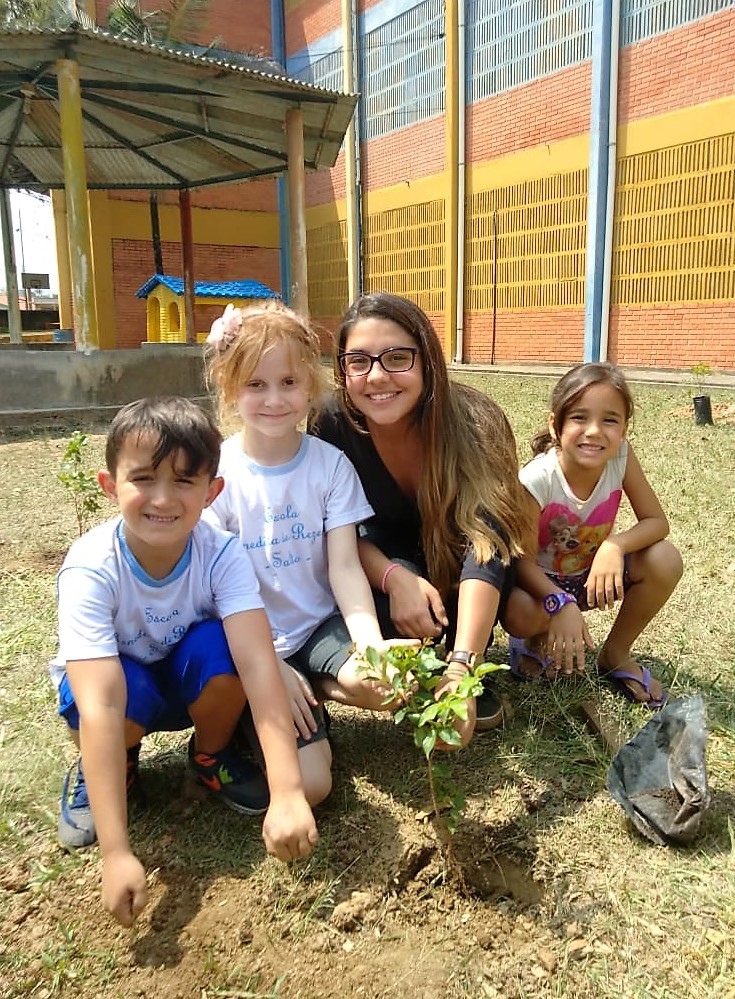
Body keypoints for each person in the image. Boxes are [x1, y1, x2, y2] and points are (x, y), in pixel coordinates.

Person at [50, 396, 319, 929]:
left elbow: (260, 668)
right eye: (144, 479)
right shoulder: (90, 567)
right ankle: (114, 770)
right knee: (118, 696)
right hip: (120, 696)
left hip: (185, 681)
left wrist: (288, 791)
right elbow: (100, 703)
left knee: (224, 650)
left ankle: (210, 757)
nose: (163, 499)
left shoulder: (221, 553)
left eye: (184, 481)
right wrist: (116, 852)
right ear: (110, 486)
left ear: (213, 491)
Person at [307, 292, 534, 741]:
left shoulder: (476, 421)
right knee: (379, 630)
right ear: (342, 369)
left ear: (427, 361)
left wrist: (463, 665)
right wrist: (395, 579)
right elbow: (334, 532)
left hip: (467, 572)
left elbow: (487, 544)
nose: (376, 377)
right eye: (358, 362)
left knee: (505, 591)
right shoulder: (331, 424)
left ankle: (461, 664)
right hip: (382, 566)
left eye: (396, 358)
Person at [203, 303, 414, 737]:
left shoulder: (331, 466)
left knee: (385, 685)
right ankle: (259, 706)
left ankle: (314, 687)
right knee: (314, 784)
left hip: (319, 627)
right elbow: (212, 588)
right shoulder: (217, 474)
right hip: (250, 641)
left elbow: (344, 565)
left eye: (289, 382)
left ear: (309, 384)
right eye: (256, 384)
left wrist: (369, 644)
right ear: (228, 385)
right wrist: (266, 663)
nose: (275, 399)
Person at [502, 362, 683, 708]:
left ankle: (614, 653)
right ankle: (533, 642)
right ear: (555, 424)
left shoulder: (621, 458)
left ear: (625, 428)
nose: (594, 431)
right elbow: (520, 562)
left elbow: (657, 522)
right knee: (519, 611)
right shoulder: (537, 478)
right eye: (579, 418)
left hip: (593, 577)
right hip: (540, 587)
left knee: (665, 558)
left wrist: (614, 546)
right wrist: (560, 603)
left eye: (610, 420)